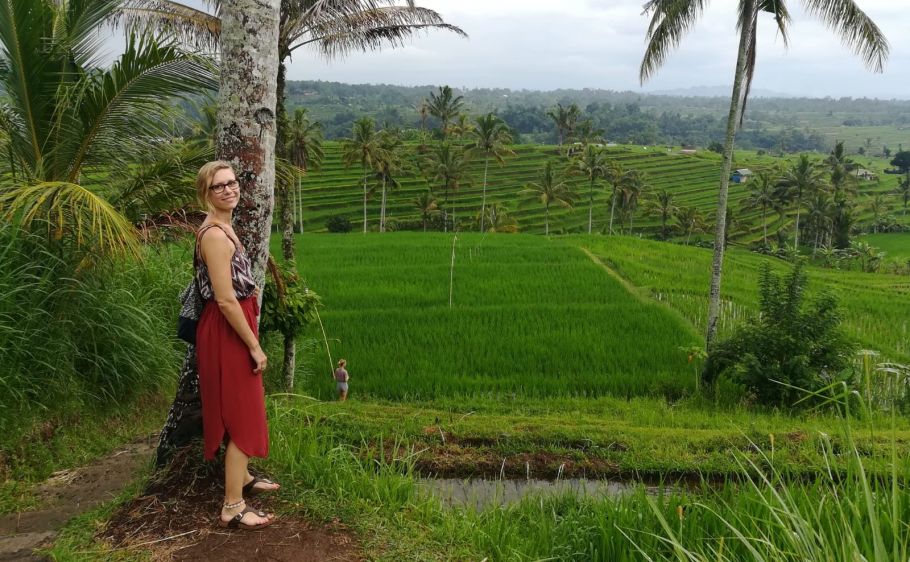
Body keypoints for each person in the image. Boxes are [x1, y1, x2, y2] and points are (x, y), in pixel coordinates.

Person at [194, 161, 280, 530]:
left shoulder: (224, 227)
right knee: (244, 413)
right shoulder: (213, 235)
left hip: (234, 325)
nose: (230, 190)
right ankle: (232, 505)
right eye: (219, 186)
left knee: (241, 406)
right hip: (228, 330)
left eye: (232, 183)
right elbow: (226, 300)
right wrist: (254, 346)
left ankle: (241, 478)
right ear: (206, 194)